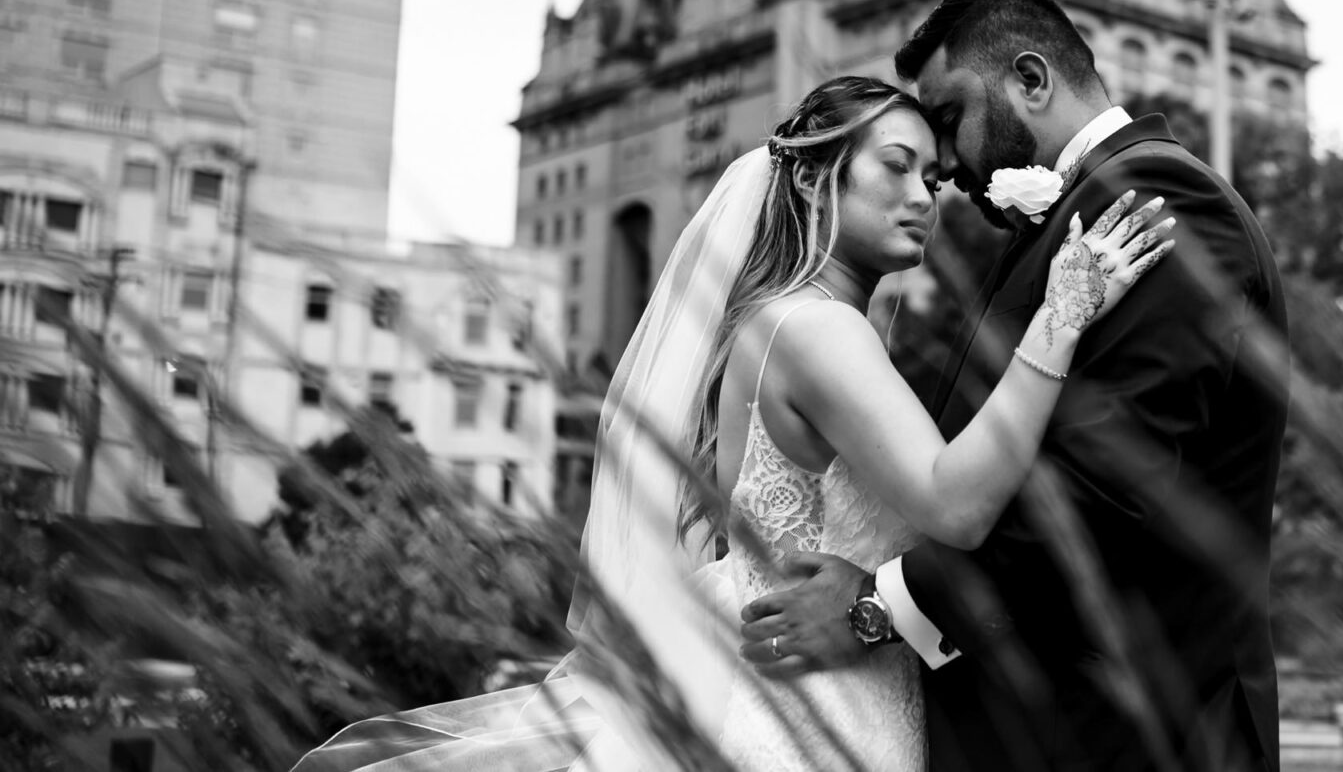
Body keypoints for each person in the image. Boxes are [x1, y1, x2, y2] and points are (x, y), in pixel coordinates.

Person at [292, 75, 1173, 771]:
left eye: (933, 177)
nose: (923, 194)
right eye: (895, 166)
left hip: (784, 688)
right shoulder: (818, 328)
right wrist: (1063, 313)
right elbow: (956, 506)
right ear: (812, 173)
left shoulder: (774, 318)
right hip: (816, 716)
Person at [739, 0, 1290, 772]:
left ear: (1030, 79)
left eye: (951, 117)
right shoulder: (1062, 224)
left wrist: (875, 606)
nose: (950, 165)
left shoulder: (1161, 199)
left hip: (1135, 739)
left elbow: (1099, 491)